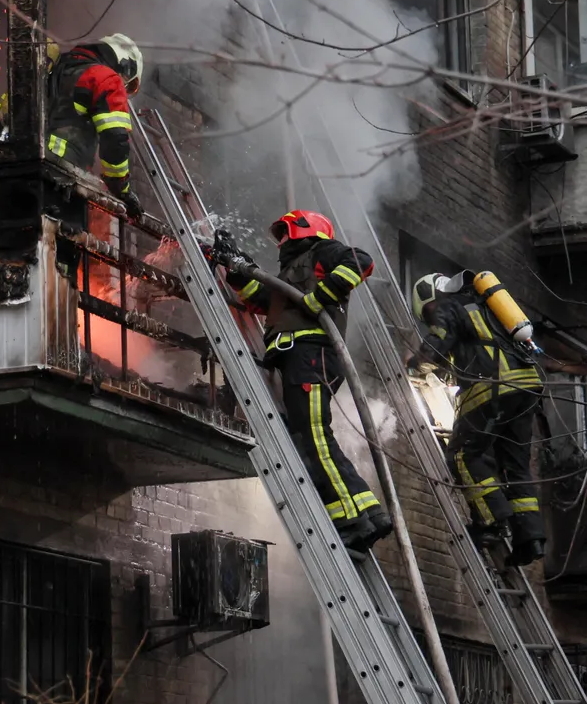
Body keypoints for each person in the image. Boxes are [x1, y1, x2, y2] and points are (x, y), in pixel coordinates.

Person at [223, 210, 394, 552]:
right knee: (310, 437)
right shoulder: (291, 272)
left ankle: (351, 518)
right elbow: (265, 301)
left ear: (306, 230)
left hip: (311, 355)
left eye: (286, 232)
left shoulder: (322, 252)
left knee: (314, 435)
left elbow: (361, 260)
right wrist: (236, 268)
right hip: (299, 358)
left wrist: (320, 297)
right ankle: (368, 514)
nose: (282, 240)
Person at [408, 272, 545, 566]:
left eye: (427, 313)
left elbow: (437, 344)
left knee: (461, 455)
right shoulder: (485, 308)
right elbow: (474, 348)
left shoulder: (448, 306)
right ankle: (530, 539)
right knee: (515, 465)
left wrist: (414, 365)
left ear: (430, 298)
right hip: (526, 386)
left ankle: (492, 522)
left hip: (494, 388)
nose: (430, 317)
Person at [0, 34, 144, 220]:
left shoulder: (47, 69)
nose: (125, 86)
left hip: (8, 181)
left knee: (10, 244)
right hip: (58, 186)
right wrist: (122, 189)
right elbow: (115, 140)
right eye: (129, 81)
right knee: (61, 247)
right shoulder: (106, 78)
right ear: (125, 64)